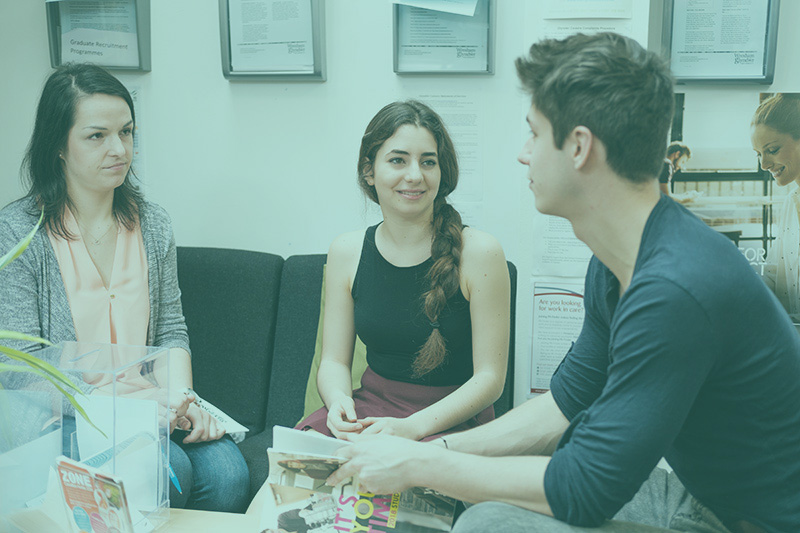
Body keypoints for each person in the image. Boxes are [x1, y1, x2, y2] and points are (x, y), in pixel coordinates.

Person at [327, 33, 800, 533]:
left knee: (487, 525)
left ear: (578, 147)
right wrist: (426, 446)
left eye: (534, 134)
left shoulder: (675, 288)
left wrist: (421, 465)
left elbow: (585, 490)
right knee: (487, 506)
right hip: (695, 493)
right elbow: (562, 407)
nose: (523, 154)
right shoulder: (617, 260)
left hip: (753, 522)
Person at [0, 63, 249, 512]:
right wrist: (114, 411)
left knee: (229, 474)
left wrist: (182, 400)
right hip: (67, 413)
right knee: (171, 469)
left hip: (152, 404)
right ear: (59, 145)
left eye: (126, 132)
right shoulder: (18, 231)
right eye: (97, 136)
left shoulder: (152, 223)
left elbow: (170, 328)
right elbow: (18, 362)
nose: (119, 149)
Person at [295, 100, 510, 442]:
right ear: (369, 171)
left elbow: (490, 380)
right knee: (295, 468)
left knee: (389, 474)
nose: (415, 175)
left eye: (428, 162)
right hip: (370, 410)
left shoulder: (481, 253)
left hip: (450, 422)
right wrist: (338, 403)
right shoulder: (346, 251)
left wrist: (413, 428)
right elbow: (334, 361)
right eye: (398, 160)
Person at [751, 93, 800, 323]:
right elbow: (774, 276)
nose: (764, 164)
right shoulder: (791, 202)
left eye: (772, 150)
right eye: (759, 155)